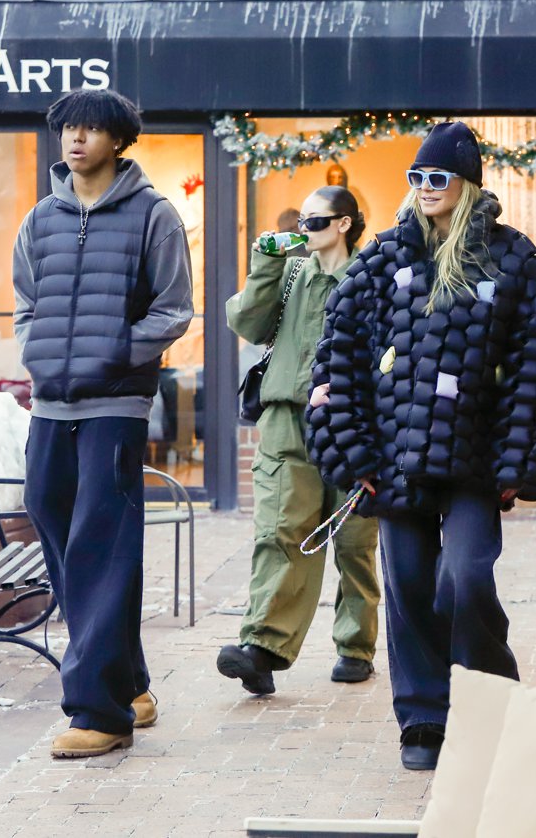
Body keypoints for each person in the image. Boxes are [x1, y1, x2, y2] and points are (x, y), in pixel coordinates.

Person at [306, 122, 536, 770]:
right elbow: (341, 354)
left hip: (475, 462)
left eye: (437, 178)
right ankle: (423, 718)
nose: (424, 189)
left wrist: (518, 461)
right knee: (411, 586)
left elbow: (534, 368)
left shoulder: (513, 259)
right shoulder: (383, 259)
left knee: (466, 578)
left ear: (467, 183)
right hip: (396, 459)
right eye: (415, 178)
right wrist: (353, 450)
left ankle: (492, 699)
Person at [12, 88, 194, 758]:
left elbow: (174, 310)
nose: (76, 139)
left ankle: (100, 711)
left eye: (91, 129)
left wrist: (114, 352)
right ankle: (131, 683)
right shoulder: (41, 219)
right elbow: (26, 302)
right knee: (53, 519)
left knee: (100, 544)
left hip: (115, 406)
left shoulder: (154, 216)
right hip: (51, 405)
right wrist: (39, 353)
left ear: (117, 140)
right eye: (68, 128)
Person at [218, 185, 381, 696]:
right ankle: (262, 648)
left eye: (314, 222)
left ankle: (355, 646)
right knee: (281, 531)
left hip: (356, 423)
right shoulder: (288, 274)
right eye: (299, 222)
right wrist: (264, 266)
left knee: (354, 540)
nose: (302, 231)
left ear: (344, 224)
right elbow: (245, 321)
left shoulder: (371, 277)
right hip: (287, 419)